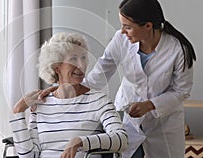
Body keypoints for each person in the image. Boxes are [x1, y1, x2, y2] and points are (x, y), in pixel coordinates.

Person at [81, 0, 196, 157]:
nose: (122, 31)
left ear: (148, 26)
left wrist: (150, 105)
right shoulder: (121, 40)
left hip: (163, 125)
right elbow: (100, 72)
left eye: (128, 27)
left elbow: (181, 91)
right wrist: (67, 91)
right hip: (129, 121)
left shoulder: (178, 49)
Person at [9, 32, 128, 158]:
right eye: (73, 59)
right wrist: (18, 110)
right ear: (56, 67)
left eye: (83, 57)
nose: (81, 65)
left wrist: (81, 141)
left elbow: (121, 139)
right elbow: (28, 156)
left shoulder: (99, 101)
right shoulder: (41, 105)